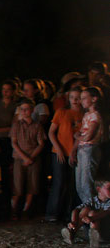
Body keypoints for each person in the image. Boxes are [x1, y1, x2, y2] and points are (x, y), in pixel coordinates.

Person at [45, 87, 83, 222]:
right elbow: (51, 132)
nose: (75, 100)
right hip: (59, 152)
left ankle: (69, 213)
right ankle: (52, 213)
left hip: (76, 153)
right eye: (73, 97)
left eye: (78, 97)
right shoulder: (62, 112)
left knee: (72, 184)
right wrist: (58, 149)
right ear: (69, 98)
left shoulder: (84, 115)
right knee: (59, 182)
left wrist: (73, 151)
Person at [10, 99, 46, 219]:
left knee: (32, 185)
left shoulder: (37, 125)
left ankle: (26, 209)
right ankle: (14, 209)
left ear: (32, 110)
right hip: (19, 158)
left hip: (33, 158)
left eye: (27, 109)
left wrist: (31, 157)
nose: (24, 112)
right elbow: (14, 143)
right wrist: (24, 157)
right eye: (22, 109)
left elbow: (41, 143)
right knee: (18, 185)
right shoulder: (16, 125)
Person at [71, 87, 104, 204]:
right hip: (82, 149)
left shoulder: (95, 116)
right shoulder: (87, 115)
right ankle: (87, 211)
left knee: (86, 184)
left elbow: (88, 136)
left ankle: (92, 213)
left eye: (84, 98)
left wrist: (77, 137)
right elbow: (82, 135)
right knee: (79, 185)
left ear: (94, 99)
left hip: (90, 149)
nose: (81, 101)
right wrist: (73, 151)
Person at [61, 178, 110, 248]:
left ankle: (95, 238)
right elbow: (76, 210)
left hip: (105, 231)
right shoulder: (93, 200)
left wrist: (92, 218)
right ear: (99, 189)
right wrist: (73, 221)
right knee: (86, 209)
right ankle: (72, 231)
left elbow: (106, 212)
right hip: (91, 229)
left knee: (92, 213)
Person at [0, 81, 17, 207]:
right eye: (4, 89)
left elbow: (14, 126)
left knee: (6, 171)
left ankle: (6, 201)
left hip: (8, 140)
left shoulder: (15, 106)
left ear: (12, 92)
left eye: (8, 89)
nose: (5, 92)